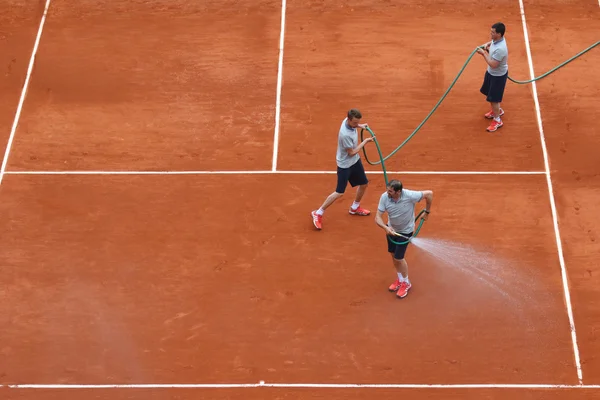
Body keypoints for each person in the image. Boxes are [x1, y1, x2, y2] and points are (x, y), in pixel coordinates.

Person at [311, 109, 374, 230]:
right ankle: (318, 213)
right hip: (345, 164)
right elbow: (352, 152)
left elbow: (353, 153)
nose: (356, 125)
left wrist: (361, 125)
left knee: (364, 184)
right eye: (355, 123)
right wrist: (365, 141)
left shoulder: (347, 120)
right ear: (349, 120)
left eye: (358, 122)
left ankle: (355, 207)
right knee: (339, 192)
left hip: (355, 161)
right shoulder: (345, 134)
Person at [375, 179, 433, 299]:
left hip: (405, 232)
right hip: (391, 229)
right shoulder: (384, 197)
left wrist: (427, 212)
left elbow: (429, 194)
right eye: (388, 190)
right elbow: (377, 217)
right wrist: (385, 228)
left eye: (390, 191)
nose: (388, 192)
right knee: (392, 254)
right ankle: (400, 279)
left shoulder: (410, 195)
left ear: (398, 192)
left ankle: (406, 282)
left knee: (399, 258)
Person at [477, 22, 509, 132]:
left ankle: (497, 120)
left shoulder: (501, 49)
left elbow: (493, 64)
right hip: (491, 73)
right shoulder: (496, 40)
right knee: (490, 95)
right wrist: (487, 45)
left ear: (499, 34)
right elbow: (492, 43)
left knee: (494, 99)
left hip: (497, 77)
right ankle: (497, 111)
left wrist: (483, 53)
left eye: (493, 32)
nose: (491, 33)